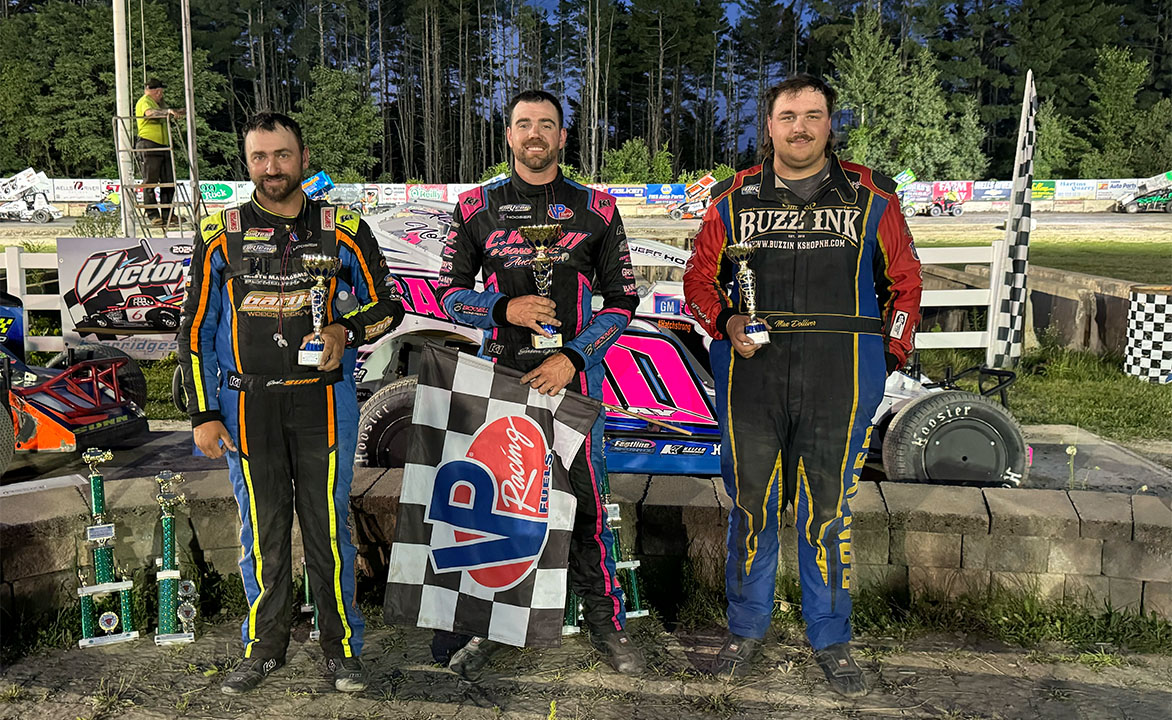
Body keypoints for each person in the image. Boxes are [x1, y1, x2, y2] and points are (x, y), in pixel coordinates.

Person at [682, 74, 922, 697]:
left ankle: (831, 637)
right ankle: (746, 630)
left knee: (828, 512)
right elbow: (700, 279)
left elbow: (905, 282)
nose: (801, 127)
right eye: (788, 115)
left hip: (840, 373)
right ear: (769, 125)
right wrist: (725, 320)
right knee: (750, 508)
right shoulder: (734, 197)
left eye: (813, 115)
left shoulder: (871, 195)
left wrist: (886, 357)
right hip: (751, 372)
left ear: (830, 124)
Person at [177, 112, 404, 694]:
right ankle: (264, 647)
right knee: (262, 530)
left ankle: (342, 648)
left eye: (281, 155)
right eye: (259, 157)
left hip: (323, 403)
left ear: (304, 158)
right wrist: (203, 413)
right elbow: (196, 330)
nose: (271, 168)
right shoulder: (218, 232)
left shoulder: (342, 226)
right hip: (244, 408)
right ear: (246, 162)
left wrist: (342, 332)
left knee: (328, 529)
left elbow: (388, 304)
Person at [436, 89, 645, 680]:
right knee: (493, 503)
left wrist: (575, 357)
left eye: (546, 125)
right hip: (500, 377)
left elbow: (623, 300)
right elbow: (449, 295)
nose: (534, 134)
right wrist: (503, 309)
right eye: (523, 124)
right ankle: (484, 623)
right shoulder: (476, 206)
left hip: (572, 383)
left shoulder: (597, 208)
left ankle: (606, 622)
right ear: (508, 135)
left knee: (585, 504)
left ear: (561, 136)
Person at [134, 77, 184, 226]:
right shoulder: (145, 101)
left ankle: (168, 214)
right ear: (157, 91)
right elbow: (149, 113)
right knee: (150, 181)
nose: (161, 95)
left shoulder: (157, 104)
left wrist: (176, 112)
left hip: (163, 145)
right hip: (149, 143)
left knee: (169, 181)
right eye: (160, 92)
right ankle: (153, 214)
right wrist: (167, 111)